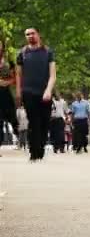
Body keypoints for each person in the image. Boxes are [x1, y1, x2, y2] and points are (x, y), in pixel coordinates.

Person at [15, 28, 56, 161]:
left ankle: (41, 149)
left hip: (45, 93)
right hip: (28, 93)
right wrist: (18, 92)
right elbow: (19, 75)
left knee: (44, 122)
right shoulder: (22, 53)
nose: (30, 36)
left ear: (38, 34)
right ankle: (34, 153)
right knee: (33, 122)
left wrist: (48, 90)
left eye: (32, 33)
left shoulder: (48, 52)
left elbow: (53, 75)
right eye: (27, 34)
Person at [0, 40, 19, 156]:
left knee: (11, 116)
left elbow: (16, 77)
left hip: (5, 93)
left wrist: (8, 82)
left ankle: (18, 132)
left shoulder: (8, 61)